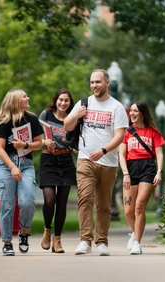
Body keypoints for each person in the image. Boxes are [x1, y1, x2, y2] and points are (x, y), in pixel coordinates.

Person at [64, 69, 128, 256]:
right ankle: (85, 240)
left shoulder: (116, 107)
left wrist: (103, 150)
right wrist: (76, 115)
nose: (94, 85)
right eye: (92, 82)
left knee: (104, 203)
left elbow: (120, 136)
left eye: (98, 82)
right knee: (85, 199)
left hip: (108, 162)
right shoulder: (84, 103)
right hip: (85, 159)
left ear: (107, 83)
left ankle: (102, 242)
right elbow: (67, 126)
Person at [0, 88, 44, 256]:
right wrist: (12, 167)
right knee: (7, 205)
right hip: (6, 164)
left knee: (27, 202)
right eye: (24, 96)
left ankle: (24, 232)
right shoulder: (3, 121)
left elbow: (40, 143)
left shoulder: (32, 119)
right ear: (16, 101)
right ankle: (7, 242)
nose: (28, 98)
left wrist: (25, 146)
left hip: (26, 164)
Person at [119, 101, 165, 255]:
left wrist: (159, 171)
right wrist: (125, 173)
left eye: (135, 111)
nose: (132, 113)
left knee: (139, 207)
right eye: (131, 111)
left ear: (142, 113)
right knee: (127, 211)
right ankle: (135, 233)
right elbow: (122, 154)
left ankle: (137, 243)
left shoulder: (153, 132)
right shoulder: (127, 132)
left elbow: (159, 154)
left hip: (147, 168)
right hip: (131, 169)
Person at [38, 88, 77, 254]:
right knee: (49, 200)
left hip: (66, 160)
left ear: (70, 103)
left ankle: (57, 239)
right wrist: (45, 142)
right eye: (61, 100)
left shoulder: (72, 119)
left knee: (62, 204)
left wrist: (75, 147)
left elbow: (75, 139)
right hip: (48, 160)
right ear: (56, 100)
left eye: (66, 101)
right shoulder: (45, 115)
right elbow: (36, 136)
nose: (63, 103)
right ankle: (47, 230)